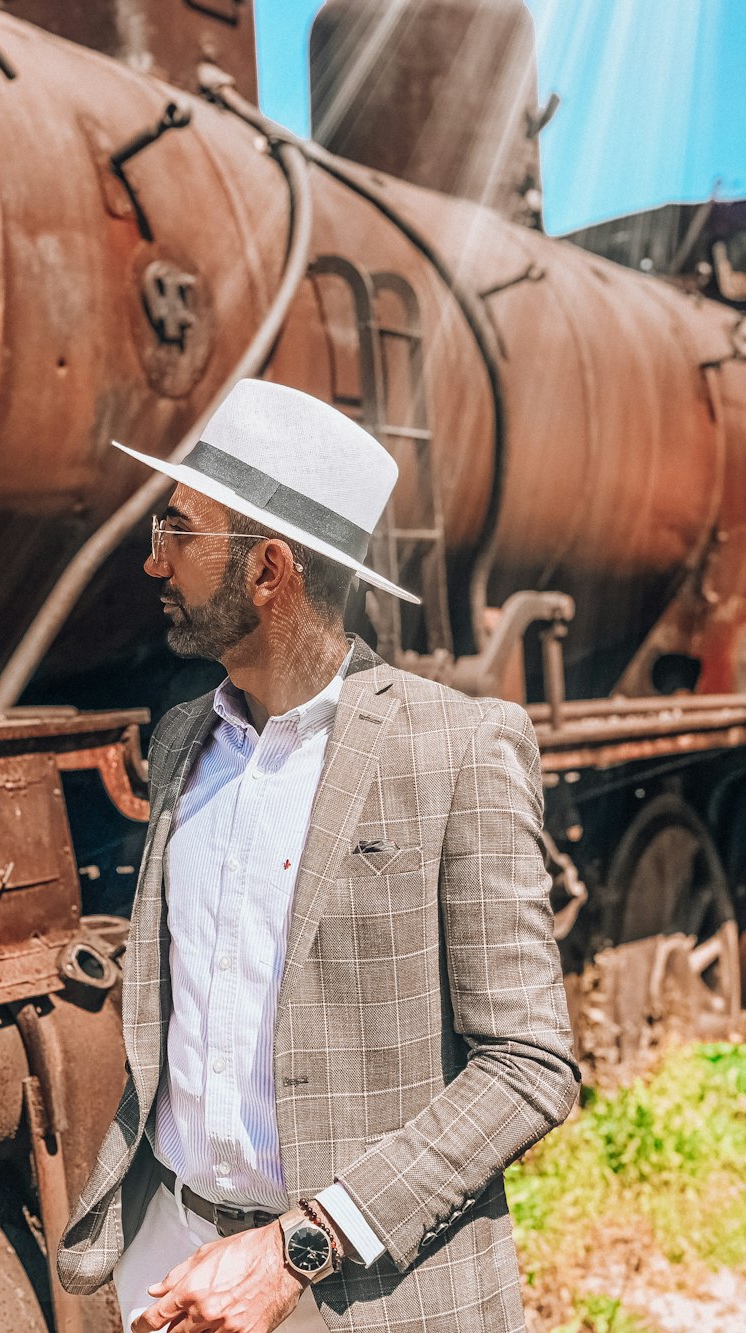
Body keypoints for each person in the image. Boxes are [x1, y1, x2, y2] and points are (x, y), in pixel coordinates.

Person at [58, 379, 579, 1333]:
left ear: (268, 572)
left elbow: (530, 1064)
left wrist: (300, 1246)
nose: (151, 563)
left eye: (178, 532)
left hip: (356, 1290)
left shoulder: (457, 748)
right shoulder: (181, 740)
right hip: (174, 1262)